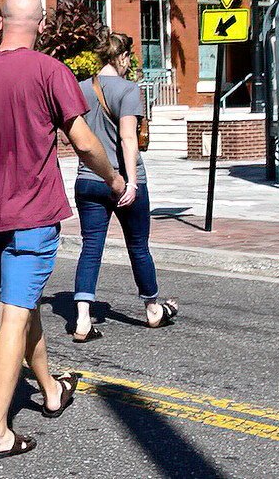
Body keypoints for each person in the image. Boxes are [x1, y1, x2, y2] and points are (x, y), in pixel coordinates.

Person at [0, 0, 130, 460]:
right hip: (31, 214)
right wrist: (114, 176)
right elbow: (82, 142)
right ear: (40, 25)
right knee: (14, 314)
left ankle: (50, 390)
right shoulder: (49, 70)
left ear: (0, 23)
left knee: (23, 302)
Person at [71, 32, 178, 342]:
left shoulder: (80, 89)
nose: (130, 63)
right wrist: (130, 182)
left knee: (91, 248)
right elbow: (128, 138)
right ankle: (153, 308)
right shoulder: (129, 90)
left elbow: (75, 137)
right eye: (129, 57)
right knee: (138, 246)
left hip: (88, 178)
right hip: (123, 179)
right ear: (121, 57)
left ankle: (81, 319)